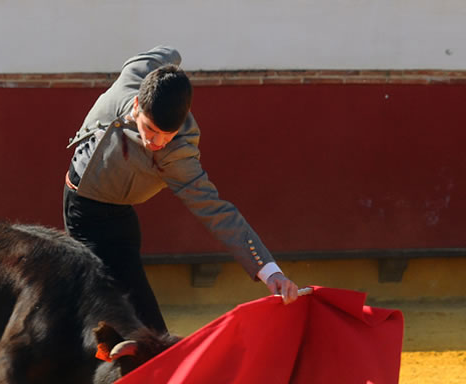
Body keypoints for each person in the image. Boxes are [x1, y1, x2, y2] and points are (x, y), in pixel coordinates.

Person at [63, 46, 298, 334]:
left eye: (167, 135)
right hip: (85, 211)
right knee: (113, 312)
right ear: (137, 104)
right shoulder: (137, 73)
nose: (156, 143)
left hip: (116, 217)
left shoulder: (177, 156)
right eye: (150, 129)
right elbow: (165, 54)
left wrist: (269, 270)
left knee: (144, 325)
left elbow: (216, 210)